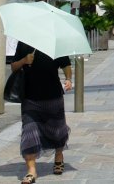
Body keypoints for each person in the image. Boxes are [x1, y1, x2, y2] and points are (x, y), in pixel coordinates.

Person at [11, 41, 73, 183]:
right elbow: (14, 66)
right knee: (29, 131)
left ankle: (59, 155)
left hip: (53, 96)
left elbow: (66, 64)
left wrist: (69, 78)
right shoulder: (24, 44)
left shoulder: (56, 44)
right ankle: (31, 171)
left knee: (57, 130)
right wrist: (24, 60)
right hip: (30, 97)